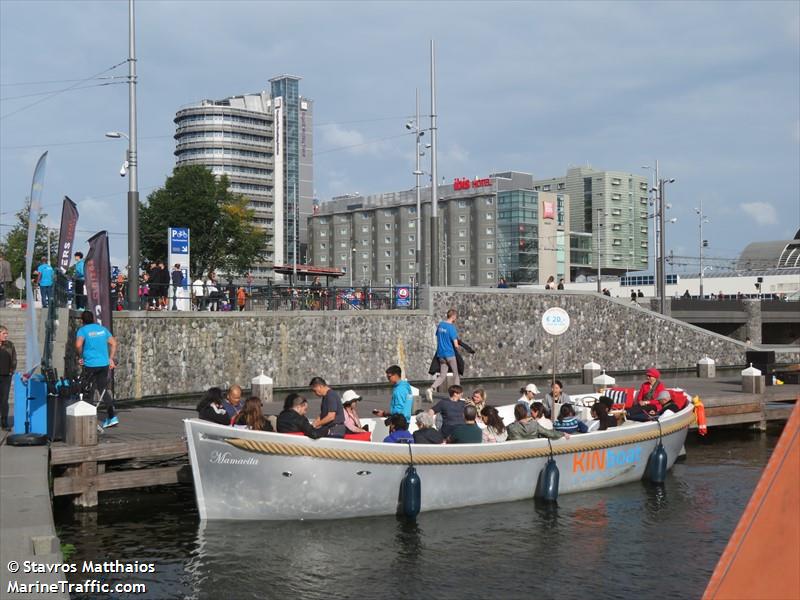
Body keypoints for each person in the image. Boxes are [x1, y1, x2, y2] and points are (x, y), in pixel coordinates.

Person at [75, 310, 118, 428]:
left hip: (90, 364)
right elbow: (114, 343)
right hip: (103, 364)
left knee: (88, 389)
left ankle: (88, 416)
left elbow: (78, 345)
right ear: (93, 319)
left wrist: (81, 356)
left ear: (82, 321)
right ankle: (112, 417)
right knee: (103, 389)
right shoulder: (102, 329)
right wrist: (111, 358)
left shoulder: (82, 330)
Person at [426, 308, 460, 402]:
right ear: (453, 316)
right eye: (455, 317)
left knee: (442, 375)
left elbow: (438, 336)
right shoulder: (451, 327)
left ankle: (431, 389)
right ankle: (457, 395)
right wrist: (458, 348)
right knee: (456, 374)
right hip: (450, 354)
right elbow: (456, 344)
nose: (456, 318)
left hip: (441, 354)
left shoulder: (441, 325)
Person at [0, 325, 16, 430]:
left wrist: (12, 371)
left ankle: (4, 422)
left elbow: (14, 359)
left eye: (7, 333)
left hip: (6, 376)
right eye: (4, 333)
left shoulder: (10, 345)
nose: (6, 335)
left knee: (4, 399)